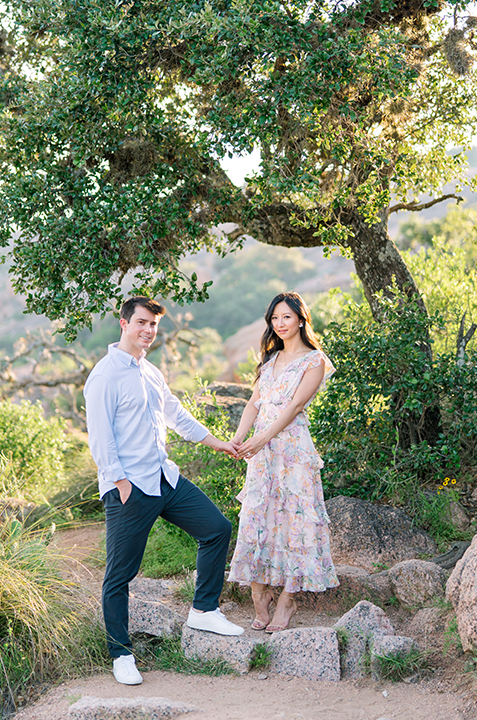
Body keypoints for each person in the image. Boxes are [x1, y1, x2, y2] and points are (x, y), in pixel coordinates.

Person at [84, 295, 244, 686]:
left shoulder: (149, 370)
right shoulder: (104, 376)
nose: (147, 330)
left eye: (153, 325)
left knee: (217, 529)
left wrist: (216, 442)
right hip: (130, 489)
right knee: (120, 575)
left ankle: (204, 610)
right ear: (123, 324)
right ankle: (121, 655)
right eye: (141, 323)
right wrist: (120, 483)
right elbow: (100, 439)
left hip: (164, 479)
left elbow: (175, 413)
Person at [228, 292, 339, 632]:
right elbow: (253, 404)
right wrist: (240, 437)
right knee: (258, 516)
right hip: (263, 453)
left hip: (292, 450)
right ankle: (260, 596)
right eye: (275, 318)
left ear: (301, 319)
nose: (280, 323)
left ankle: (288, 601)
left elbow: (292, 408)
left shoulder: (314, 360)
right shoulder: (269, 360)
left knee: (295, 520)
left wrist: (262, 439)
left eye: (286, 317)